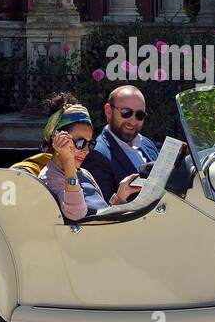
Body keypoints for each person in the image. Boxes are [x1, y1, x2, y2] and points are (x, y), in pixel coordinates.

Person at [37, 93, 141, 221]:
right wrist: (68, 161)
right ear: (59, 139)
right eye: (80, 143)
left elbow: (100, 217)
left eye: (90, 143)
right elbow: (77, 214)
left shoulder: (84, 173)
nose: (86, 150)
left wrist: (120, 196)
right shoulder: (50, 177)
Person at [84, 85, 160, 192]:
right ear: (108, 111)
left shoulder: (147, 144)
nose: (133, 121)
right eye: (126, 113)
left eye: (140, 115)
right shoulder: (96, 155)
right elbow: (104, 206)